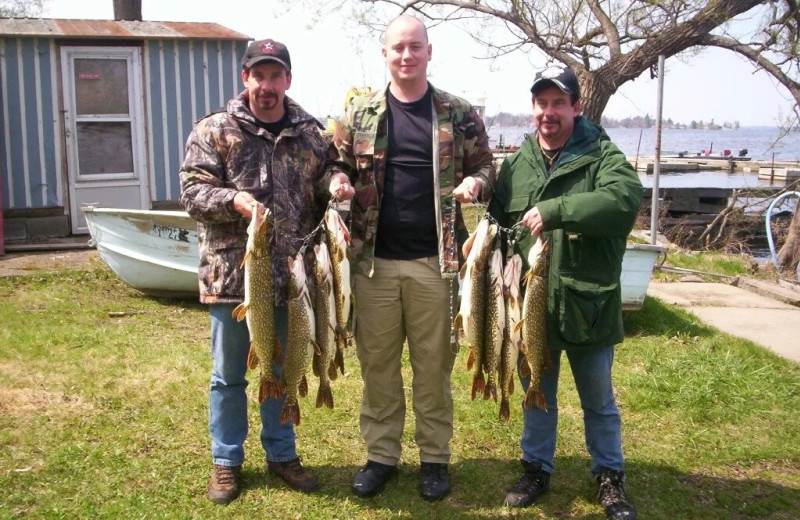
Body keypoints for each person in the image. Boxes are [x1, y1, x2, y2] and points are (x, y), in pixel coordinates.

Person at [327, 14, 496, 502]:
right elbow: (331, 163)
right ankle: (381, 455)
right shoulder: (358, 115)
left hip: (436, 263)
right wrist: (335, 183)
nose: (406, 55)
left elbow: (486, 164)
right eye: (397, 48)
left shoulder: (458, 112)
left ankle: (434, 459)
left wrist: (477, 181)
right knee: (377, 366)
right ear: (385, 54)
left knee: (433, 366)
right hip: (373, 264)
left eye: (414, 47)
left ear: (428, 51)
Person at [179, 38, 354, 505]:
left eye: (276, 75)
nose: (267, 85)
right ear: (245, 78)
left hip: (294, 281)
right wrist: (232, 199)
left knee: (283, 366)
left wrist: (336, 181)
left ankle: (281, 454)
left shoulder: (309, 131)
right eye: (259, 75)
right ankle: (226, 460)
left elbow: (328, 172)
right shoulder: (215, 128)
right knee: (228, 376)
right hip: (231, 280)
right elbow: (193, 192)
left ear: (288, 80)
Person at [487, 64, 642, 520]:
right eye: (541, 103)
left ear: (576, 106)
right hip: (528, 305)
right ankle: (536, 467)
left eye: (559, 103)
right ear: (532, 108)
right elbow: (497, 225)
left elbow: (624, 199)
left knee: (599, 400)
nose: (548, 113)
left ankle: (609, 476)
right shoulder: (515, 165)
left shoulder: (602, 155)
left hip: (586, 303)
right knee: (537, 392)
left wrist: (556, 210)